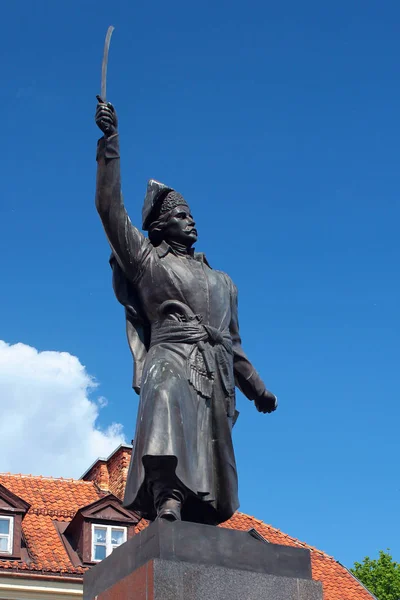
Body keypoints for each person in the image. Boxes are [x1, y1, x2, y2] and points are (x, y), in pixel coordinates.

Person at [95, 100, 278, 525]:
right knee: (163, 400)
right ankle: (167, 497)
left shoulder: (223, 282)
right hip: (171, 355)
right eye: (180, 215)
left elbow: (232, 343)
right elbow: (109, 210)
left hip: (214, 370)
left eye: (192, 214)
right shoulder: (147, 262)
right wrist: (110, 145)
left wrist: (257, 388)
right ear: (160, 226)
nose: (190, 221)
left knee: (210, 447)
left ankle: (198, 509)